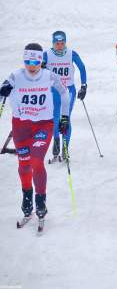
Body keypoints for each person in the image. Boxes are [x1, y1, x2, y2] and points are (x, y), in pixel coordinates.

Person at [0, 43, 70, 225]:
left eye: (35, 61)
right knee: (23, 165)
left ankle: (40, 201)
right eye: (27, 61)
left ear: (40, 61)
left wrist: (64, 117)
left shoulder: (49, 76)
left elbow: (65, 93)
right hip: (21, 127)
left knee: (37, 161)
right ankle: (27, 199)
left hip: (43, 126)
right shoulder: (16, 76)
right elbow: (3, 90)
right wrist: (3, 91)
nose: (31, 66)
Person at [43, 31, 86, 161]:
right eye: (57, 44)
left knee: (65, 118)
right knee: (54, 118)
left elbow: (82, 67)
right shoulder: (47, 54)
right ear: (53, 43)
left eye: (62, 43)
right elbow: (38, 67)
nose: (60, 46)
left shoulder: (71, 53)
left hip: (68, 90)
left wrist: (84, 86)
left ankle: (65, 147)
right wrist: (42, 66)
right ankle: (56, 142)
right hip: (53, 91)